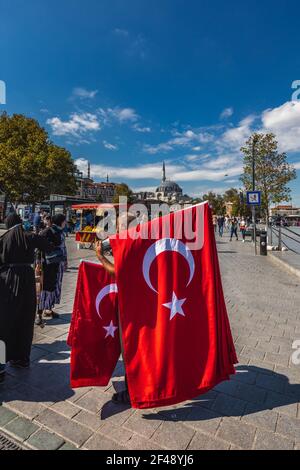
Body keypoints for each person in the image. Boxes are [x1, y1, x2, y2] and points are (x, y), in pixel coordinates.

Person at [0, 213, 53, 382]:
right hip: (27, 280)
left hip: (7, 280)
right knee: (25, 318)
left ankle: (2, 362)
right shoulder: (29, 236)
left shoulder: (3, 239)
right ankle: (21, 358)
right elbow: (49, 245)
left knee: (5, 320)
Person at [37, 214, 68, 322]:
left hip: (57, 265)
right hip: (47, 266)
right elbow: (38, 249)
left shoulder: (61, 232)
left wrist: (65, 261)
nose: (66, 223)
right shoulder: (46, 232)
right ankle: (39, 314)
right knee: (44, 288)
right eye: (64, 221)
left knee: (54, 287)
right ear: (60, 221)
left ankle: (48, 309)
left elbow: (63, 248)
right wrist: (38, 264)